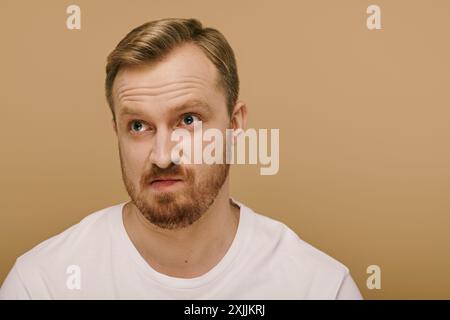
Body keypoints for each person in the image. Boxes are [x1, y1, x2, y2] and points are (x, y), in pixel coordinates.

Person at [0, 18, 362, 299]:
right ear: (116, 132)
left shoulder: (318, 287)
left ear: (235, 125)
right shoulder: (42, 284)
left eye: (189, 120)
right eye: (138, 125)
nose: (161, 156)